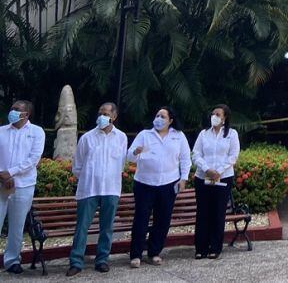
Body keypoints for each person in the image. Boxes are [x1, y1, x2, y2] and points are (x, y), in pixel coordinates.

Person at [66, 103, 127, 277]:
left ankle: (102, 260)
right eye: (100, 112)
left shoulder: (121, 137)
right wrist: (88, 177)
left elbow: (121, 163)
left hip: (111, 188)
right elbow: (77, 166)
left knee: (107, 227)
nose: (102, 115)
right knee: (82, 227)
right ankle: (76, 261)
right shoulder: (87, 137)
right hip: (88, 189)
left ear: (114, 117)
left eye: (106, 113)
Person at [127, 107, 191, 268]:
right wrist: (135, 152)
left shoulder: (178, 136)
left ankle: (154, 252)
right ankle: (136, 254)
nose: (158, 118)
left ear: (170, 120)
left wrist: (183, 178)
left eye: (162, 116)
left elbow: (185, 158)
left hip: (169, 183)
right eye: (157, 115)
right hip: (144, 183)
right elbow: (129, 157)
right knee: (141, 219)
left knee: (163, 219)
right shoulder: (144, 135)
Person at [0, 100, 44, 274]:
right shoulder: (2, 131)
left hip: (23, 185)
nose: (12, 111)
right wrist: (2, 175)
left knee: (17, 226)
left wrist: (11, 172)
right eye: (12, 108)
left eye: (17, 109)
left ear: (26, 114)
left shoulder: (36, 132)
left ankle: (12, 261)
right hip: (1, 183)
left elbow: (33, 159)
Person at [192, 105, 240, 260]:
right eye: (213, 114)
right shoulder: (204, 134)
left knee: (218, 213)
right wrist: (207, 169)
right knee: (203, 212)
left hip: (223, 177)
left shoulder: (231, 134)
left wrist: (218, 170)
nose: (214, 116)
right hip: (203, 177)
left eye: (218, 114)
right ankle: (201, 248)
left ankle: (215, 247)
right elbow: (196, 154)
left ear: (224, 117)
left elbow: (233, 156)